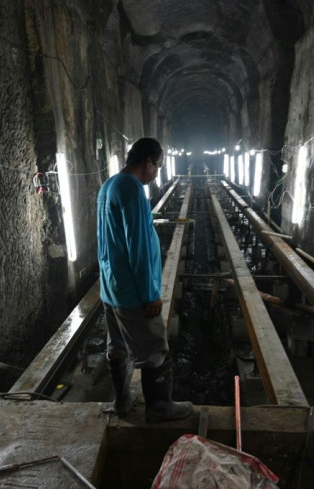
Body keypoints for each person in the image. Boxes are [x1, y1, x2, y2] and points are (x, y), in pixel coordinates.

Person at [96, 137, 194, 423]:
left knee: (117, 347)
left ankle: (122, 401)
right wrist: (151, 293)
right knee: (154, 350)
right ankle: (160, 407)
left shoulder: (109, 185)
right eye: (158, 166)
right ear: (148, 162)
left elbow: (105, 240)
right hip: (131, 291)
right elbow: (136, 245)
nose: (157, 173)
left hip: (111, 286)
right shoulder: (133, 190)